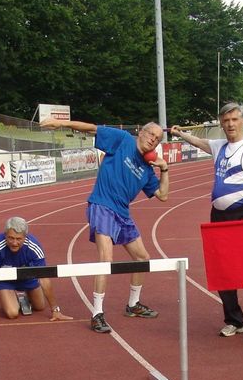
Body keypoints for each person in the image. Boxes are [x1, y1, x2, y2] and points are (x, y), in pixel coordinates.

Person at [39, 117, 169, 333]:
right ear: (141, 132)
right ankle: (97, 314)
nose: (153, 140)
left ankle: (133, 304)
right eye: (150, 135)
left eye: (157, 139)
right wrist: (61, 123)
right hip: (102, 205)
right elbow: (92, 128)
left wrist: (164, 170)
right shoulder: (122, 140)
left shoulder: (148, 168)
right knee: (105, 259)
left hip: (122, 213)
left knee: (142, 258)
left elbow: (163, 196)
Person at [171, 102, 243, 346]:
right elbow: (200, 143)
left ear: (242, 122)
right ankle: (234, 320)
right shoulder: (219, 146)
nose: (230, 124)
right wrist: (180, 133)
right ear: (221, 123)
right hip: (218, 217)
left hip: (242, 216)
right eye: (226, 121)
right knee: (222, 268)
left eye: (234, 120)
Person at [0, 216, 73, 324]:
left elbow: (44, 279)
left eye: (19, 239)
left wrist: (55, 310)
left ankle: (23, 296)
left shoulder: (34, 246)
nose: (15, 243)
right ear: (5, 235)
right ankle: (13, 296)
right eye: (11, 238)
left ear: (25, 237)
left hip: (27, 278)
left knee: (40, 306)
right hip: (6, 281)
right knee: (12, 313)